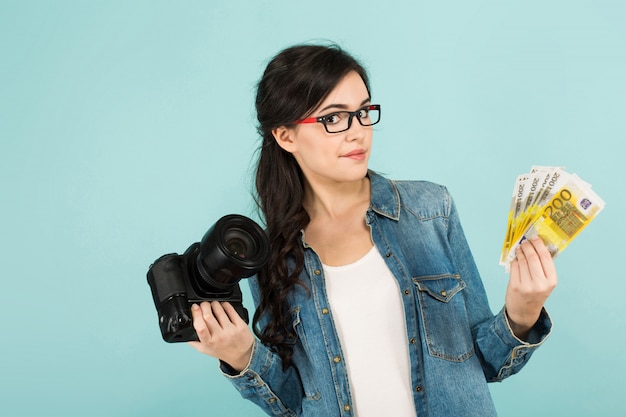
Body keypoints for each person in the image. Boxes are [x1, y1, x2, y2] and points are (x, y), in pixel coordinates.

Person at [188, 43, 558, 417]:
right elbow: (293, 403)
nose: (358, 132)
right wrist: (240, 355)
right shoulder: (271, 253)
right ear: (285, 136)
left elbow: (488, 363)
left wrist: (522, 311)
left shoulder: (430, 210)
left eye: (363, 112)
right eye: (333, 118)